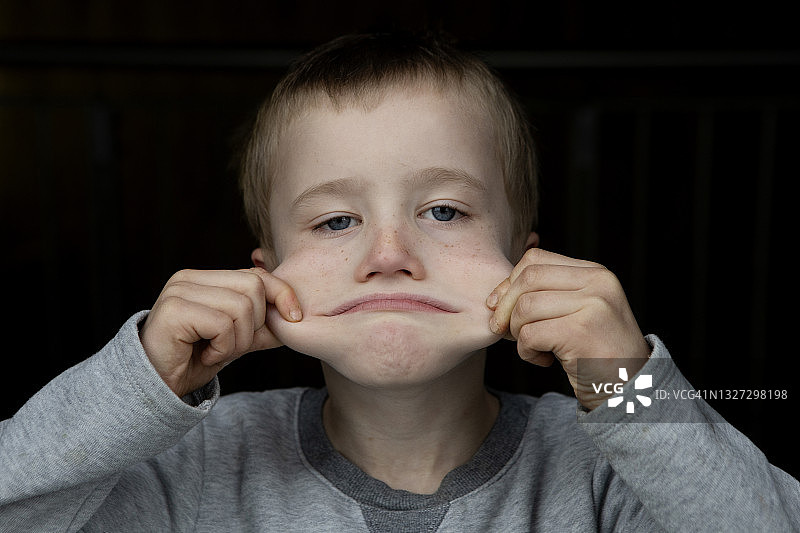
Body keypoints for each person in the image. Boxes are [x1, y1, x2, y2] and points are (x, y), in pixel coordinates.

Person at [1, 32, 797, 533]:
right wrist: (138, 384)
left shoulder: (601, 465)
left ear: (528, 266)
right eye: (335, 221)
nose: (389, 253)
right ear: (265, 278)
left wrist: (629, 388)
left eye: (444, 210)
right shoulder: (200, 461)